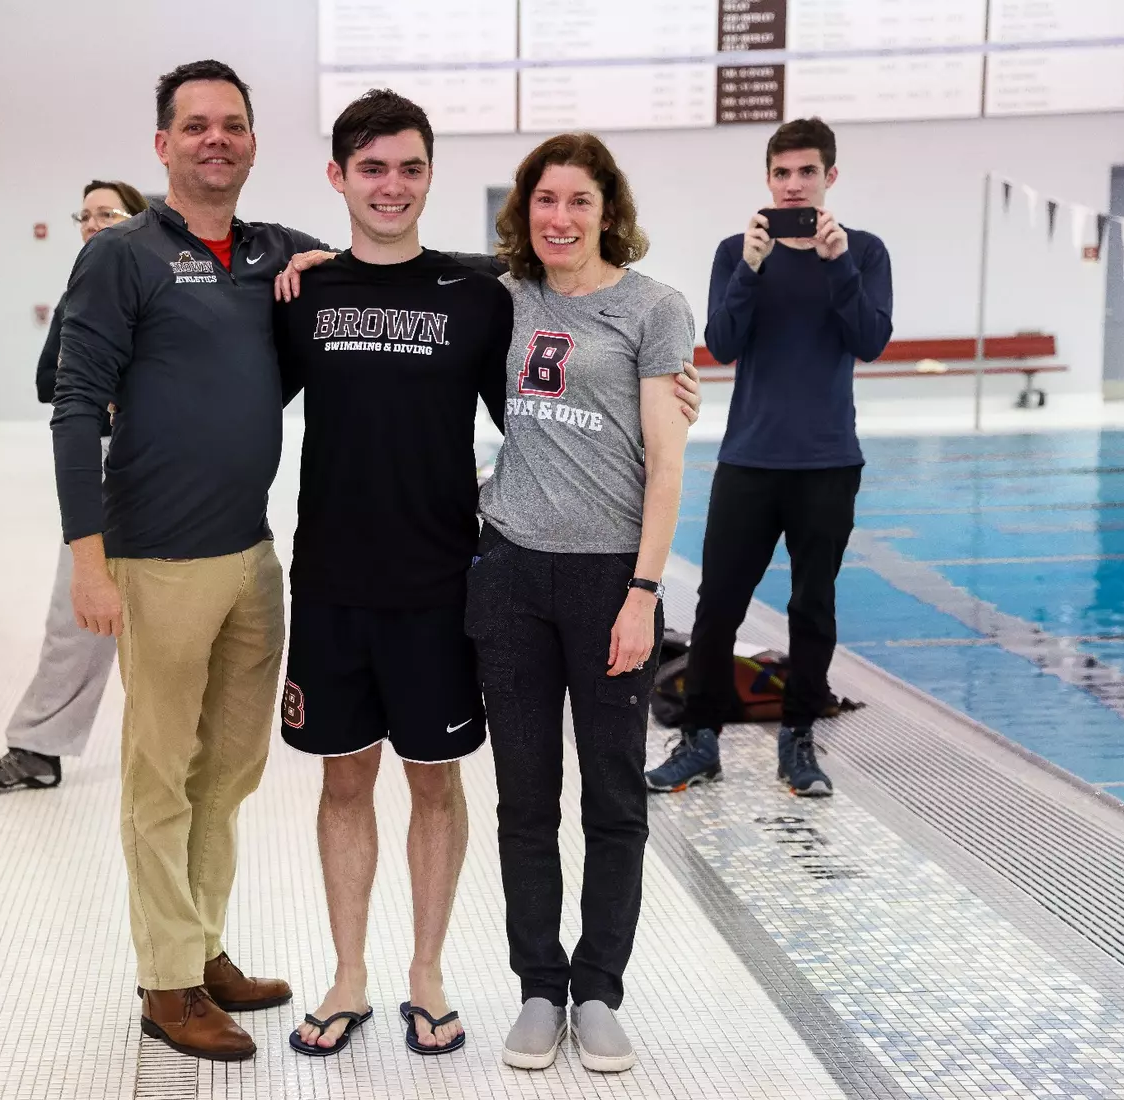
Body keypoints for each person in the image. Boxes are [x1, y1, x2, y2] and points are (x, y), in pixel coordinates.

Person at [52, 60, 333, 1063]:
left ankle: (204, 945)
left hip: (253, 556)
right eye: (196, 125)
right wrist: (90, 560)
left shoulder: (273, 251)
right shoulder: (122, 255)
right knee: (159, 778)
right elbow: (76, 401)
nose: (216, 139)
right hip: (159, 559)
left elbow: (383, 265)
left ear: (253, 141)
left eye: (234, 125)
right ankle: (166, 982)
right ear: (163, 145)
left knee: (228, 774)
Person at [269, 90, 512, 1059]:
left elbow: (532, 417)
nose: (392, 186)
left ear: (429, 175)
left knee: (437, 784)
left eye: (410, 167)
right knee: (343, 783)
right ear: (338, 177)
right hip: (329, 582)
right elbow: (235, 399)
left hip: (440, 587)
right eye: (372, 168)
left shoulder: (476, 297)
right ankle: (349, 972)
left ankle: (427, 970)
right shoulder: (301, 296)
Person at [466, 132, 692, 1072]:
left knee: (612, 800)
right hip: (512, 569)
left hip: (610, 579)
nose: (559, 219)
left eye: (578, 202)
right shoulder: (503, 297)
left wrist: (643, 593)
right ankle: (537, 986)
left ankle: (599, 989)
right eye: (544, 201)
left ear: (608, 211)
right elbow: (405, 272)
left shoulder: (655, 308)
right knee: (526, 800)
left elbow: (669, 464)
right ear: (524, 211)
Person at [645, 117, 892, 799]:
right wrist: (751, 269)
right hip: (749, 460)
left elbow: (869, 340)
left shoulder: (864, 252)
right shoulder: (736, 251)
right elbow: (722, 343)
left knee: (813, 605)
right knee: (718, 604)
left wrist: (838, 265)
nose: (792, 185)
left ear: (829, 178)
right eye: (781, 173)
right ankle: (700, 739)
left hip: (828, 462)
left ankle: (799, 742)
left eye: (805, 172)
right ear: (767, 178)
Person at [0, 180, 148, 791]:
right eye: (87, 215)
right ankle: (39, 747)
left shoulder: (155, 282)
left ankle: (180, 747)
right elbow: (51, 379)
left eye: (109, 214)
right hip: (94, 459)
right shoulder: (80, 291)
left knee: (174, 608)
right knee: (79, 604)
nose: (94, 224)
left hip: (155, 461)